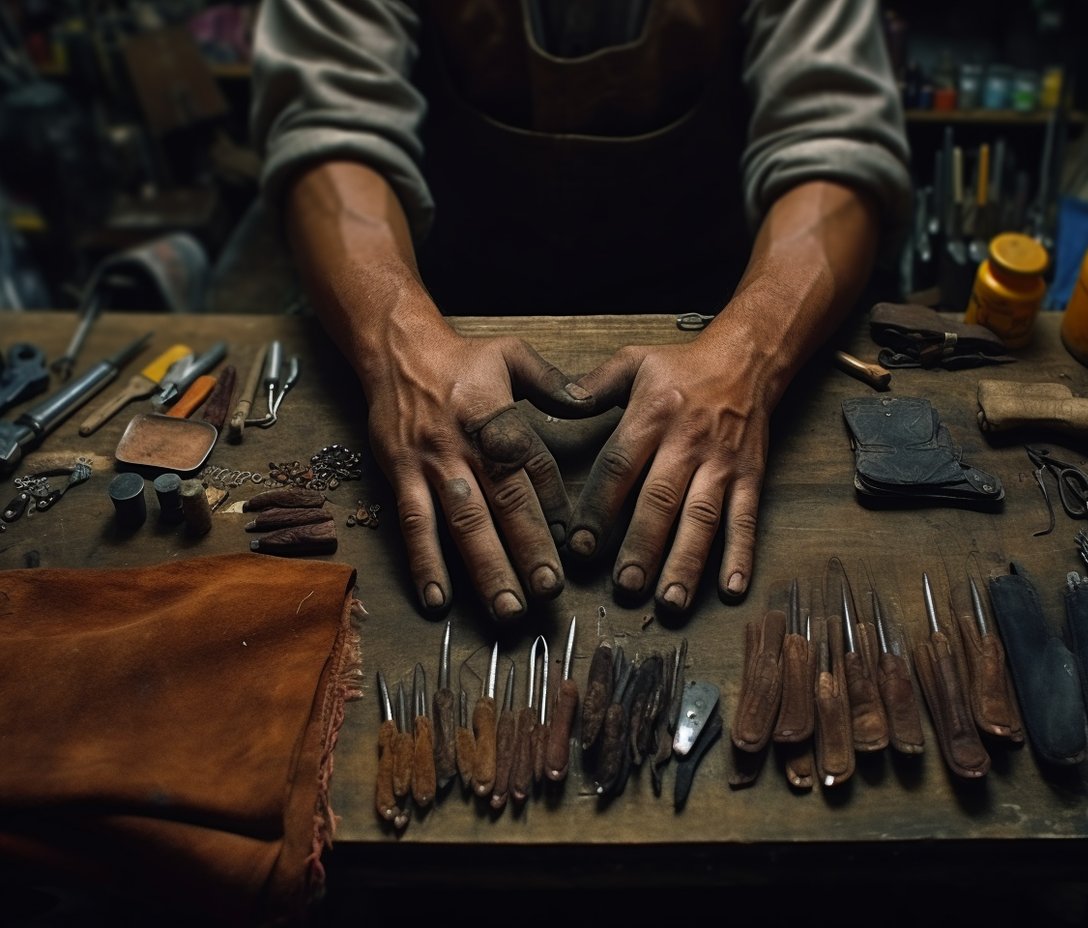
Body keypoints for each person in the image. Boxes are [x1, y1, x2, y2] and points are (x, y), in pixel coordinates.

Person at [250, 0, 912, 623]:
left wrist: (749, 352)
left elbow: (836, 145)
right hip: (449, 301)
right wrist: (402, 345)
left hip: (709, 306)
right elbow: (329, 130)